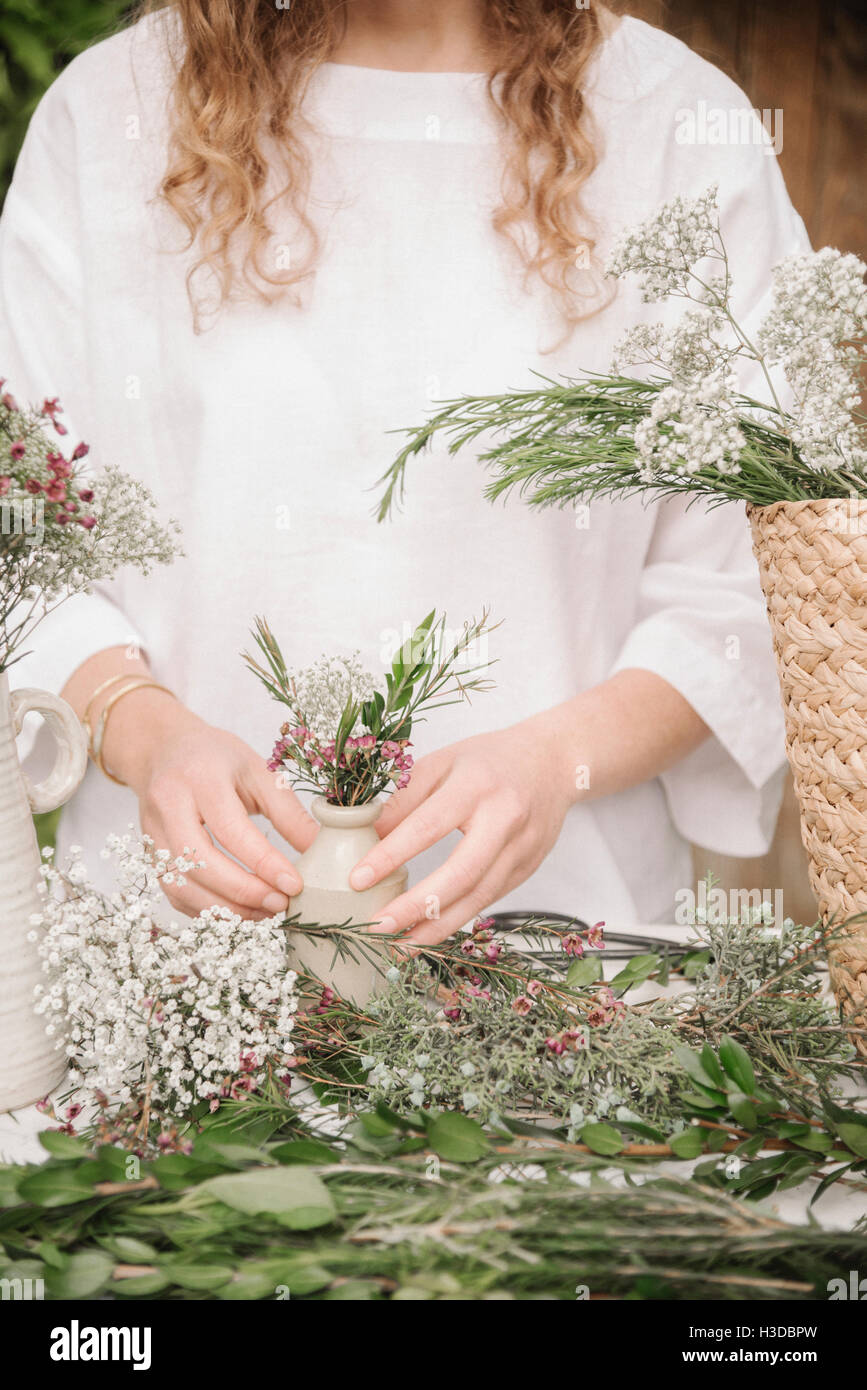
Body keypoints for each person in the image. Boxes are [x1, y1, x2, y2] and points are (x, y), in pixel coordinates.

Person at [0, 1, 808, 944]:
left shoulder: (675, 124)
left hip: (569, 974)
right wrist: (142, 728)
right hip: (162, 965)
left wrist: (556, 762)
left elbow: (753, 586)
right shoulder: (107, 114)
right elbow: (27, 531)